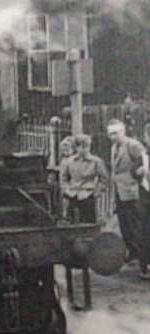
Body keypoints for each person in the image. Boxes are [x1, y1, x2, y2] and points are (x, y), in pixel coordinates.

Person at [107, 118, 147, 267]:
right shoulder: (113, 147)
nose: (113, 136)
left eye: (116, 133)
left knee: (135, 221)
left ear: (123, 131)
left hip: (132, 190)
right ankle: (130, 250)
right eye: (110, 134)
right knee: (124, 222)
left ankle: (138, 252)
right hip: (119, 190)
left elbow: (144, 162)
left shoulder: (133, 145)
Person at [59, 134, 108, 224]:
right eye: (82, 147)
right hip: (72, 194)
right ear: (76, 148)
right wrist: (66, 189)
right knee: (70, 221)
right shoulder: (69, 161)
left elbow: (104, 178)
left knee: (88, 221)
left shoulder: (96, 161)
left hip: (88, 194)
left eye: (87, 147)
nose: (85, 150)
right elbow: (63, 177)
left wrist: (97, 192)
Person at [134, 149, 150, 280]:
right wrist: (137, 171)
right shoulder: (143, 156)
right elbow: (133, 170)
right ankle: (145, 266)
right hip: (146, 199)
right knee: (145, 233)